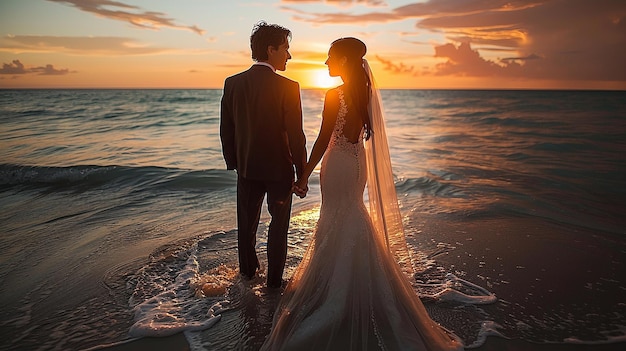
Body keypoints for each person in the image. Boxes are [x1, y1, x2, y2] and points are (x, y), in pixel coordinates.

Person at [260, 38, 463, 350]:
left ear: (343, 60)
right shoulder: (364, 92)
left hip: (339, 163)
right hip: (357, 163)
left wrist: (303, 176)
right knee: (352, 214)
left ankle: (336, 295)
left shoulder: (334, 95)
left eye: (330, 58)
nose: (326, 64)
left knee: (337, 218)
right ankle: (359, 286)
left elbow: (323, 138)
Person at [220, 21, 307, 289]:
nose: (289, 55)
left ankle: (247, 276)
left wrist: (234, 162)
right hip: (279, 170)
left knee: (246, 226)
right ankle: (273, 284)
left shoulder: (232, 83)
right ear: (271, 50)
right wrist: (301, 174)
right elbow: (296, 135)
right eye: (285, 49)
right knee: (278, 228)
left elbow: (227, 128)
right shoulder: (288, 87)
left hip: (246, 167)